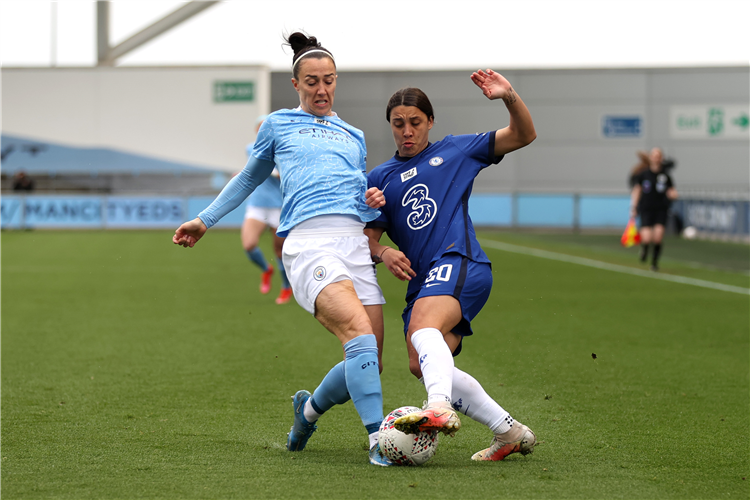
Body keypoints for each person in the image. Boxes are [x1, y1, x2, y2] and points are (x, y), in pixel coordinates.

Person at [172, 32, 392, 466]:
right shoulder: (278, 124)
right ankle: (379, 440)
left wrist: (370, 200)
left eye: (329, 79)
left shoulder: (355, 135)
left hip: (352, 244)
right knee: (360, 338)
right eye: (312, 81)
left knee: (368, 363)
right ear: (296, 84)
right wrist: (204, 220)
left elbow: (354, 190)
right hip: (309, 245)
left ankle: (306, 412)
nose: (322, 88)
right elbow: (248, 178)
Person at [365, 70, 538, 462]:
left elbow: (523, 135)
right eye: (398, 124)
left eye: (416, 122)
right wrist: (383, 252)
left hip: (460, 262)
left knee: (425, 330)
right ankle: (508, 431)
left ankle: (438, 406)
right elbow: (366, 239)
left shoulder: (458, 151)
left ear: (430, 122)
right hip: (424, 280)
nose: (407, 131)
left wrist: (508, 95)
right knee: (419, 362)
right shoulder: (380, 178)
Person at [241, 115, 292, 305]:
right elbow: (255, 169)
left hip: (279, 206)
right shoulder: (250, 148)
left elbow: (282, 175)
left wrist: (278, 173)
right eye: (261, 128)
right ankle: (266, 269)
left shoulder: (284, 149)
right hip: (257, 204)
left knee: (281, 252)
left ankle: (286, 287)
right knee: (249, 245)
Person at [629, 147, 678, 271]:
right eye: (654, 155)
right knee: (646, 238)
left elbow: (671, 190)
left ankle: (654, 263)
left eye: (658, 156)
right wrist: (633, 207)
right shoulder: (643, 174)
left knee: (658, 237)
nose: (656, 158)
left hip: (661, 209)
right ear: (651, 158)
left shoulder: (665, 176)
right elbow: (637, 190)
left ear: (661, 158)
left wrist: (673, 195)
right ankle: (644, 249)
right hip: (646, 208)